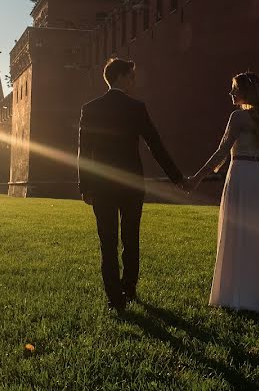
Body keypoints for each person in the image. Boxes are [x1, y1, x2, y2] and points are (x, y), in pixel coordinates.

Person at [78, 58, 186, 312]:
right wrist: (177, 178)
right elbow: (155, 145)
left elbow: (85, 152)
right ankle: (129, 288)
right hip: (132, 184)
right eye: (131, 75)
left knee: (107, 241)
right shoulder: (136, 107)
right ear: (120, 77)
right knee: (130, 238)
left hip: (102, 185)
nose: (134, 80)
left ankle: (115, 298)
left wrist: (85, 186)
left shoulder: (90, 108)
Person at [188, 72, 259, 312]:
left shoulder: (238, 117)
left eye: (234, 89)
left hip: (239, 173)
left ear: (245, 93)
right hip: (258, 177)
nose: (231, 94)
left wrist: (197, 178)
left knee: (238, 232)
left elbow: (221, 152)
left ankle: (239, 294)